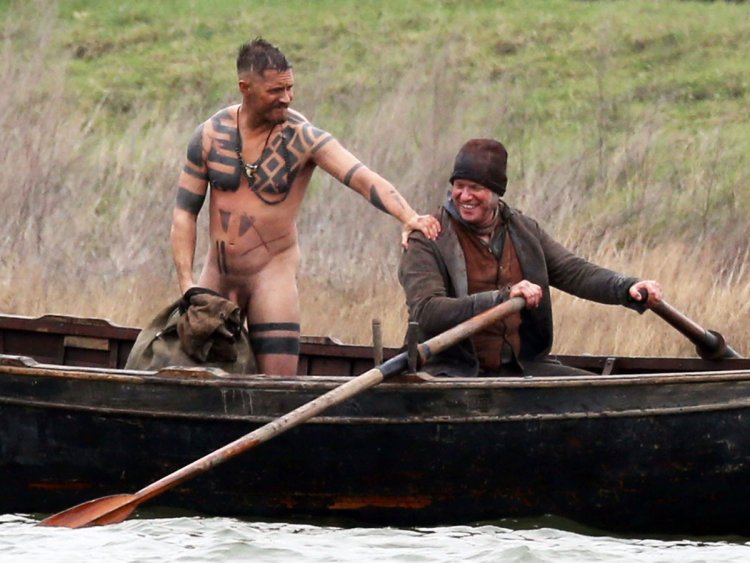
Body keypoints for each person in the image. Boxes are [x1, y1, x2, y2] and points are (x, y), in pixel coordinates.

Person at [171, 38, 440, 376]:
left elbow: (360, 176)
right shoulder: (211, 136)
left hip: (271, 276)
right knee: (199, 382)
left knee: (278, 385)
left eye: (290, 88)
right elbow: (185, 213)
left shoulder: (302, 137)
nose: (287, 98)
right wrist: (187, 285)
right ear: (245, 88)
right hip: (217, 277)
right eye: (276, 90)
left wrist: (408, 216)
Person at [398, 138, 662, 377]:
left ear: (496, 192)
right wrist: (501, 298)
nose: (464, 196)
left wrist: (626, 287)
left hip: (519, 368)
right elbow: (427, 312)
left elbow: (574, 272)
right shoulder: (428, 237)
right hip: (450, 371)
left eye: (475, 188)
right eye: (459, 186)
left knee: (601, 396)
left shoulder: (523, 230)